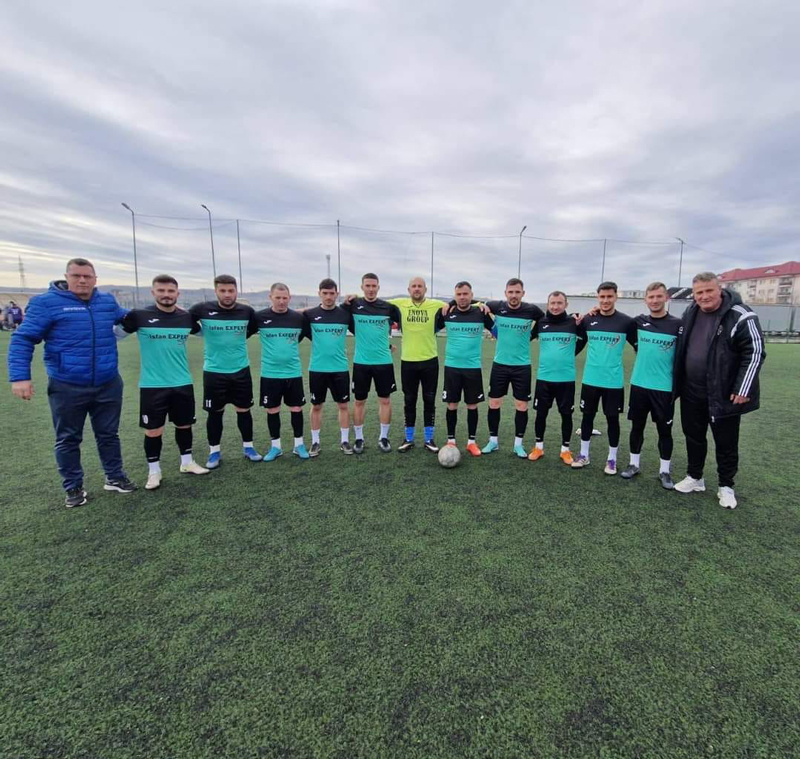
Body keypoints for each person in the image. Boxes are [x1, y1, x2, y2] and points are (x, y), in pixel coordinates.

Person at [8, 258, 136, 507]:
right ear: (67, 277)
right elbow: (23, 338)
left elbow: (128, 317)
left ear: (95, 279)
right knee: (68, 438)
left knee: (109, 434)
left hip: (108, 382)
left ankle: (114, 476)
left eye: (88, 276)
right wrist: (20, 377)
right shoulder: (46, 303)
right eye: (77, 275)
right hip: (67, 384)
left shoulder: (106, 302)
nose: (82, 280)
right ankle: (73, 486)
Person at [672, 272, 765, 509]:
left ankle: (726, 486)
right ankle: (695, 477)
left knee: (726, 442)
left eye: (708, 291)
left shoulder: (741, 315)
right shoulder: (690, 312)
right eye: (699, 292)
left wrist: (743, 388)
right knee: (693, 436)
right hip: (691, 391)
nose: (704, 296)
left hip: (723, 394)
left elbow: (755, 352)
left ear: (719, 289)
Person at [119, 275, 209, 489]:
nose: (166, 295)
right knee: (153, 430)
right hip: (152, 385)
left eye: (170, 291)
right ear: (153, 293)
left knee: (184, 424)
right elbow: (114, 335)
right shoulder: (139, 316)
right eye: (161, 291)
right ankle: (154, 472)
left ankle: (187, 462)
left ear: (177, 293)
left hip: (182, 381)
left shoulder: (186, 318)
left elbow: (206, 333)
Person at [189, 275, 260, 468]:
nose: (227, 294)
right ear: (216, 291)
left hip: (241, 370)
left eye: (231, 291)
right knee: (215, 413)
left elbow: (252, 329)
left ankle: (249, 448)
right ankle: (214, 452)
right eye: (223, 291)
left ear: (236, 291)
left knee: (244, 410)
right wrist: (203, 333)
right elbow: (186, 321)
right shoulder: (202, 309)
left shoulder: (247, 311)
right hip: (214, 372)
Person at [620, 283, 682, 488]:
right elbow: (614, 321)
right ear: (645, 300)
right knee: (637, 427)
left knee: (664, 431)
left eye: (658, 296)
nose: (654, 301)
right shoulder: (638, 322)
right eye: (651, 297)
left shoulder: (678, 325)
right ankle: (633, 464)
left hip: (664, 388)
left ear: (666, 298)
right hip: (639, 385)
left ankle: (665, 471)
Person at [571, 281, 635, 474]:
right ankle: (584, 455)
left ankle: (611, 459)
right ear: (597, 297)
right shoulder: (588, 320)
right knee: (587, 417)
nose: (606, 300)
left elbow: (639, 347)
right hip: (590, 379)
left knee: (612, 419)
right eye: (602, 297)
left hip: (613, 382)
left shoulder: (626, 322)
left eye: (609, 296)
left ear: (616, 297)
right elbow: (577, 342)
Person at [480, 278, 544, 458]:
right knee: (494, 403)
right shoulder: (497, 306)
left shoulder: (531, 310)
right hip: (500, 365)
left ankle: (518, 444)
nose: (514, 295)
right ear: (505, 293)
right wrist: (486, 312)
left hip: (522, 366)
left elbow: (544, 320)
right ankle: (493, 441)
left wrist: (531, 335)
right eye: (511, 292)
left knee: (521, 405)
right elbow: (481, 306)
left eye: (517, 292)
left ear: (523, 293)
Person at [341, 273, 402, 453]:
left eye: (374, 286)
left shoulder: (388, 308)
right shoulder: (353, 305)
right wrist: (347, 299)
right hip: (361, 363)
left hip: (384, 362)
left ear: (378, 287)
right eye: (367, 286)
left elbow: (405, 322)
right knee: (359, 401)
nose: (371, 289)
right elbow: (333, 314)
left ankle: (383, 437)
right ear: (362, 287)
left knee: (385, 400)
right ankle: (359, 439)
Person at [435, 281, 495, 455]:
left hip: (473, 368)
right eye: (459, 294)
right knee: (452, 404)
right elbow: (430, 330)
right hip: (452, 367)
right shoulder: (447, 312)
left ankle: (471, 442)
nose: (462, 297)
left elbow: (497, 332)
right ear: (455, 296)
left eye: (465, 294)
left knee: (472, 405)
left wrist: (482, 304)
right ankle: (451, 440)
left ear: (471, 295)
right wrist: (448, 304)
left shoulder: (481, 313)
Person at [388, 277, 448, 453]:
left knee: (429, 400)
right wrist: (354, 297)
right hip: (408, 362)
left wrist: (480, 305)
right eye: (413, 286)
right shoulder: (399, 304)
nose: (416, 289)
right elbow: (375, 302)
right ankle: (409, 439)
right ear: (408, 289)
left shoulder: (436, 305)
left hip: (430, 361)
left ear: (425, 289)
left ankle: (429, 439)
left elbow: (459, 303)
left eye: (419, 286)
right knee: (409, 400)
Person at [529, 290, 586, 465]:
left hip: (566, 379)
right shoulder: (541, 323)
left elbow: (583, 339)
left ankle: (565, 450)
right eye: (552, 303)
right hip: (544, 377)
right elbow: (527, 338)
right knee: (541, 414)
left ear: (566, 304)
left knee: (566, 415)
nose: (555, 306)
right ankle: (538, 447)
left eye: (559, 303)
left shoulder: (574, 322)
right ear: (548, 305)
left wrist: (570, 354)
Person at [255, 283, 310, 461]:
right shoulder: (260, 317)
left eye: (284, 298)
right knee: (272, 410)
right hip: (270, 373)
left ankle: (299, 445)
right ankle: (275, 447)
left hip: (293, 372)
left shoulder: (298, 318)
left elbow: (304, 335)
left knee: (296, 408)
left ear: (289, 298)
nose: (281, 301)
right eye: (277, 297)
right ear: (270, 297)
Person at [303, 278, 353, 456]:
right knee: (316, 406)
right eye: (325, 293)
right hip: (317, 368)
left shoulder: (344, 315)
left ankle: (345, 441)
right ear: (319, 293)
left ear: (337, 294)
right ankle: (315, 442)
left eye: (332, 293)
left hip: (340, 368)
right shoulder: (310, 315)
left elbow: (361, 331)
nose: (329, 297)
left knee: (343, 405)